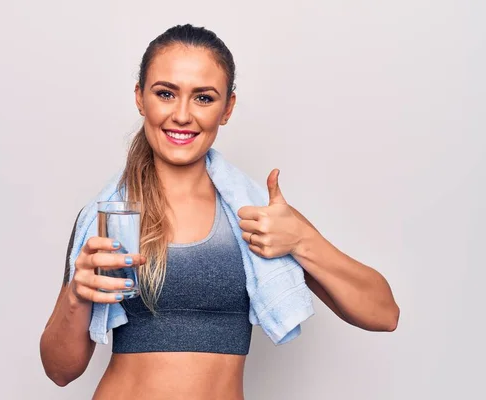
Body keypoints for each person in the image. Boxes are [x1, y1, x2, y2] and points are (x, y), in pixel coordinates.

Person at [39, 24, 400, 399]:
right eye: (165, 93)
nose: (182, 115)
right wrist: (76, 297)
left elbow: (384, 314)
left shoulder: (257, 216)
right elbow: (60, 371)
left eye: (203, 98)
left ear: (227, 108)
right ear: (140, 98)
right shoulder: (110, 220)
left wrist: (303, 240)